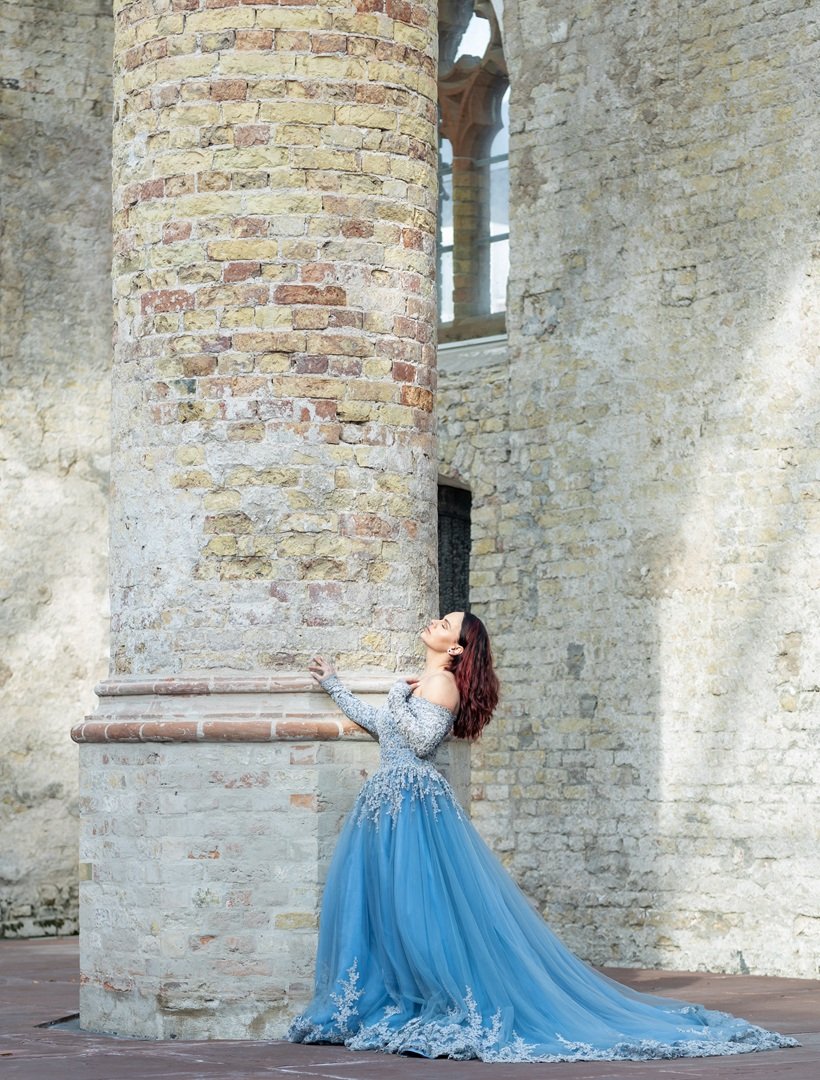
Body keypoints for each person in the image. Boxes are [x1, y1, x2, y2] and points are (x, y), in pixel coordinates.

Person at [286, 610, 800, 1062]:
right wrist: (336, 687)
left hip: (415, 805)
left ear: (456, 649)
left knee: (419, 910)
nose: (435, 623)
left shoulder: (440, 685)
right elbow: (384, 727)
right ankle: (394, 996)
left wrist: (398, 693)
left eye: (446, 624)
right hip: (388, 804)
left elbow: (420, 742)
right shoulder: (424, 684)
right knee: (387, 908)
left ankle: (444, 999)